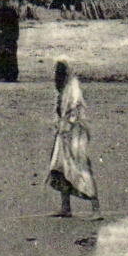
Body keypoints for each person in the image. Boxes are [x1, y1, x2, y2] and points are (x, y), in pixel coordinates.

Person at [47, 59, 101, 219]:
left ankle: (96, 208)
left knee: (80, 167)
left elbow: (75, 112)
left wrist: (66, 126)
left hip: (75, 134)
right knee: (61, 168)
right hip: (63, 133)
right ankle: (65, 207)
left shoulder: (73, 89)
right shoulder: (63, 89)